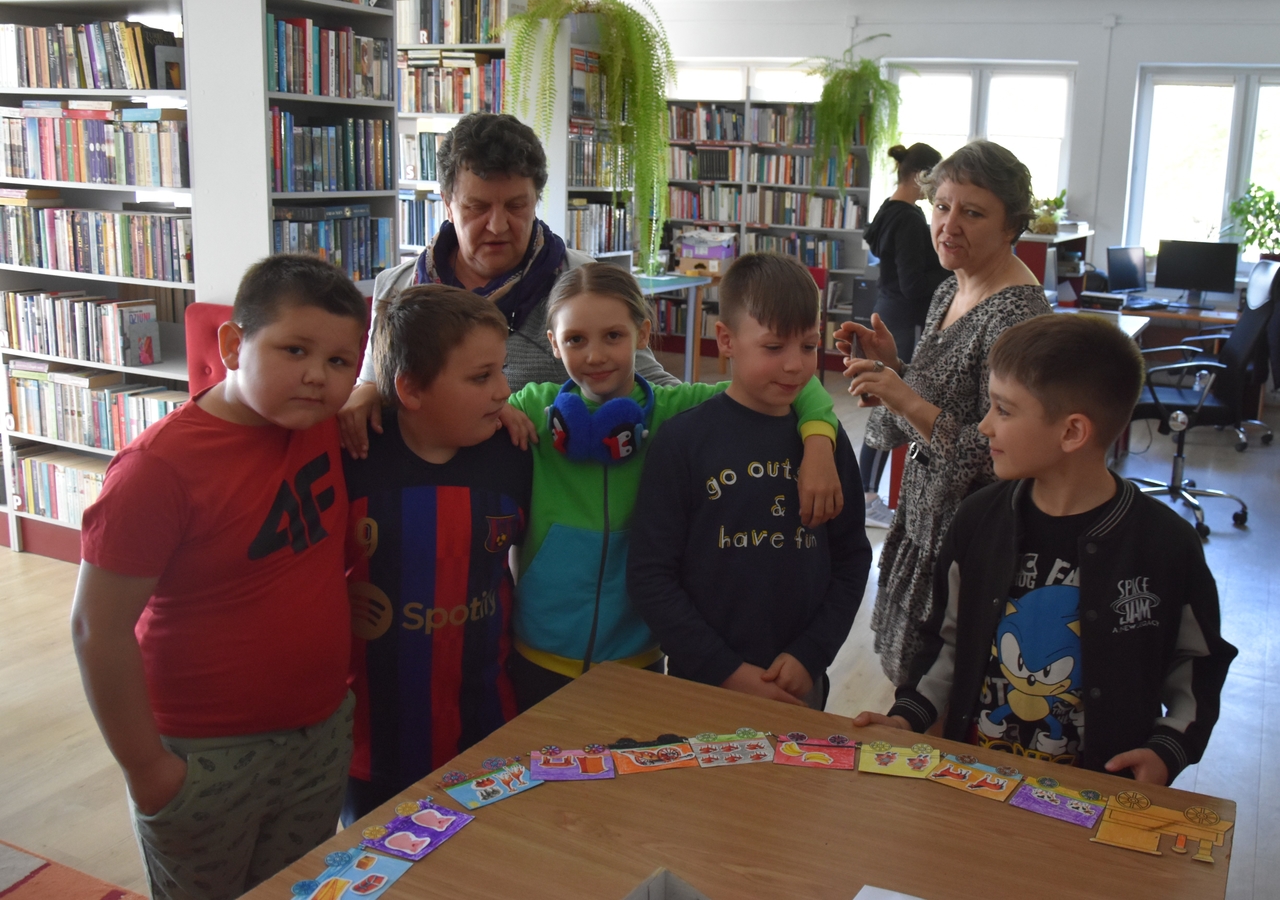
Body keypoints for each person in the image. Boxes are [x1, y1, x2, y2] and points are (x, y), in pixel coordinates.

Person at [71, 256, 367, 900]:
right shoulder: (158, 468)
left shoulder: (321, 422)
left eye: (340, 361)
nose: (317, 375)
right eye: (295, 350)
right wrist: (148, 771)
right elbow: (97, 630)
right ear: (233, 345)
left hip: (320, 733)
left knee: (296, 890)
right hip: (203, 755)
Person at [853, 314, 1237, 782]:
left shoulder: (1166, 544)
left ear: (1072, 432)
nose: (985, 426)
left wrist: (1168, 748)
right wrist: (907, 716)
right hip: (975, 776)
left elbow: (1197, 664)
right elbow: (946, 640)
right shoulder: (977, 519)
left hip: (1099, 791)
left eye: (1003, 410)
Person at [498, 263, 845, 710]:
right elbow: (475, 399)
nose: (595, 355)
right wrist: (498, 408)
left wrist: (818, 444)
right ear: (553, 343)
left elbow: (791, 384)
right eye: (575, 340)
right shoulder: (533, 408)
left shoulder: (678, 411)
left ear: (643, 334)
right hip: (538, 650)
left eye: (613, 336)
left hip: (636, 657)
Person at [837, 139, 1052, 686]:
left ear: (1011, 226)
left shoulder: (1018, 319)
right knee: (909, 691)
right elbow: (946, 403)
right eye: (941, 206)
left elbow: (1004, 457)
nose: (948, 225)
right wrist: (893, 371)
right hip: (925, 524)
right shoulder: (950, 289)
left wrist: (904, 396)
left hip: (971, 547)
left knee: (941, 700)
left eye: (972, 213)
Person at [339, 112, 678, 457]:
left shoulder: (581, 282)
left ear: (536, 201)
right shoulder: (398, 285)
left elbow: (651, 385)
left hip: (547, 480)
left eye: (517, 206)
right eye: (477, 207)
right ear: (447, 205)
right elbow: (380, 385)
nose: (498, 226)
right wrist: (367, 391)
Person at [627, 253, 873, 708]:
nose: (796, 365)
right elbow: (650, 574)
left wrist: (811, 654)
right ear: (726, 340)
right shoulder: (682, 441)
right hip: (701, 680)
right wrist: (726, 672)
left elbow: (852, 557)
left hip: (798, 679)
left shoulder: (826, 443)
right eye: (774, 347)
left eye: (808, 346)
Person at [342, 285, 532, 825]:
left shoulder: (515, 452)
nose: (504, 390)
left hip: (487, 724)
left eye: (501, 370)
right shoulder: (351, 454)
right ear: (409, 389)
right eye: (481, 377)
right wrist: (359, 394)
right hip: (371, 743)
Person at [859, 142, 950, 529]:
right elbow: (914, 283)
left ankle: (866, 494)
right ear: (919, 176)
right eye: (936, 182)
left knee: (884, 407)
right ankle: (867, 498)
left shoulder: (888, 209)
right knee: (889, 411)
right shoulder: (910, 219)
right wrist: (954, 272)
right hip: (903, 321)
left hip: (888, 310)